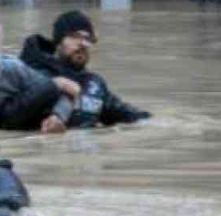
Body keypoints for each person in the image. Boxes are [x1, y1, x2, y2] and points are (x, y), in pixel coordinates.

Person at [19, 10, 152, 129]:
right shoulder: (30, 75)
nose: (82, 44)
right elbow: (11, 115)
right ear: (58, 42)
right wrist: (55, 86)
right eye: (74, 36)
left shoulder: (93, 84)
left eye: (87, 38)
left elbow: (128, 115)